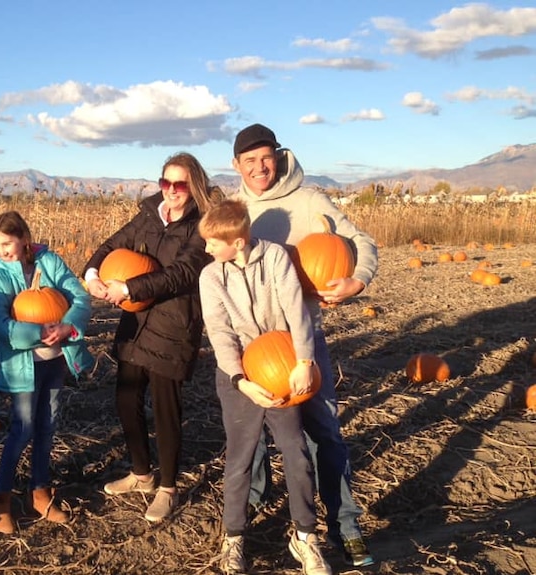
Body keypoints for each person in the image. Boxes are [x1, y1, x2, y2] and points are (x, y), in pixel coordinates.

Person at [230, 123, 379, 567]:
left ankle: (344, 523)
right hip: (253, 341)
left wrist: (357, 279)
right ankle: (254, 501)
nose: (260, 168)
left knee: (324, 430)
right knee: (251, 435)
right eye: (249, 161)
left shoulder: (311, 200)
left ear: (279, 156)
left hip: (302, 338)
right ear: (236, 165)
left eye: (266, 157)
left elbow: (361, 242)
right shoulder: (235, 207)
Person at [84, 152, 221, 523]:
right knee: (126, 399)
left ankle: (168, 487)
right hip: (135, 322)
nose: (172, 191)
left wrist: (128, 287)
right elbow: (110, 245)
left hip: (174, 325)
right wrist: (93, 274)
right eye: (166, 182)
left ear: (193, 186)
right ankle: (142, 474)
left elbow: (183, 272)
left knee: (166, 410)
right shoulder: (148, 215)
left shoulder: (202, 225)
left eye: (180, 184)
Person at [198, 199, 332, 575]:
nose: (206, 248)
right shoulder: (211, 276)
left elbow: (296, 310)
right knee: (240, 459)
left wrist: (305, 361)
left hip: (282, 363)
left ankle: (306, 536)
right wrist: (241, 381)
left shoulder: (274, 257)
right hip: (239, 372)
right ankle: (234, 538)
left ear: (238, 242)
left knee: (295, 451)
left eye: (212, 242)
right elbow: (220, 331)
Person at [0, 210, 94, 534]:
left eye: (8, 243)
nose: (3, 251)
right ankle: (0, 497)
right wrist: (37, 332)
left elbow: (78, 295)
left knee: (48, 426)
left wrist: (68, 325)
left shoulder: (50, 263)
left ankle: (40, 492)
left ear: (24, 239)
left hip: (56, 361)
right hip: (22, 367)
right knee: (23, 427)